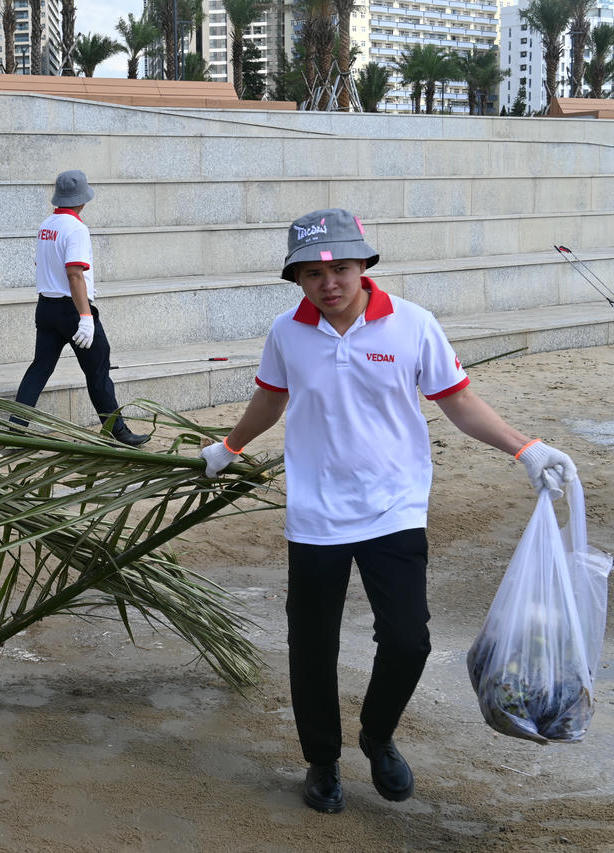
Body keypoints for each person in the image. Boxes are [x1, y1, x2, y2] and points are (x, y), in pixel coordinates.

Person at [198, 208, 577, 814]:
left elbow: (459, 403)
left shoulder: (413, 324)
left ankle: (377, 735)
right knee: (311, 646)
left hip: (393, 508)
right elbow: (270, 399)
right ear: (297, 279)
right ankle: (322, 760)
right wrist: (229, 447)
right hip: (316, 514)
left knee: (408, 640)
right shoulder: (286, 332)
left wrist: (523, 448)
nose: (329, 284)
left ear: (363, 266)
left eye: (340, 270)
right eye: (312, 274)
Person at [12, 170, 149, 447]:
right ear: (82, 200)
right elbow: (74, 274)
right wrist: (85, 316)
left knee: (39, 368)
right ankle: (116, 431)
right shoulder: (76, 229)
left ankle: (15, 427)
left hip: (46, 307)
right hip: (72, 310)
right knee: (98, 371)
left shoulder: (46, 225)